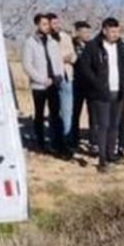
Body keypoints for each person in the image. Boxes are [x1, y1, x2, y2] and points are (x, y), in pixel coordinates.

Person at [75, 17, 124, 172]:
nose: (115, 34)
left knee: (114, 125)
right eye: (112, 31)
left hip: (118, 91)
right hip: (100, 93)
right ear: (104, 30)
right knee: (103, 125)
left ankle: (111, 154)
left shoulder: (121, 47)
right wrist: (97, 84)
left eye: (117, 31)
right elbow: (85, 68)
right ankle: (102, 159)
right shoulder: (93, 46)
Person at [20, 13, 66, 155]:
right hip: (39, 85)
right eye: (44, 24)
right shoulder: (30, 42)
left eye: (48, 24)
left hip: (54, 82)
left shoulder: (52, 41)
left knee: (56, 114)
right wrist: (41, 79)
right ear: (37, 25)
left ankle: (58, 143)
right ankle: (40, 143)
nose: (47, 27)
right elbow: (27, 65)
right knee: (39, 114)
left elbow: (58, 60)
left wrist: (59, 76)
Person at [47, 13, 76, 157]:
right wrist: (62, 59)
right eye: (53, 23)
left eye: (58, 23)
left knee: (67, 111)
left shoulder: (65, 37)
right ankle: (55, 141)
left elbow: (73, 55)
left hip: (67, 77)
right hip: (52, 79)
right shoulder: (45, 40)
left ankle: (67, 141)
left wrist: (70, 58)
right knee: (54, 112)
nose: (56, 26)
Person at [66, 21, 93, 153]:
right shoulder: (71, 44)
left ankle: (93, 140)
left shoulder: (92, 45)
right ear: (77, 32)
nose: (87, 35)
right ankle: (73, 139)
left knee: (92, 113)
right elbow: (68, 58)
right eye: (84, 32)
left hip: (90, 84)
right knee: (75, 113)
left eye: (89, 32)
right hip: (75, 83)